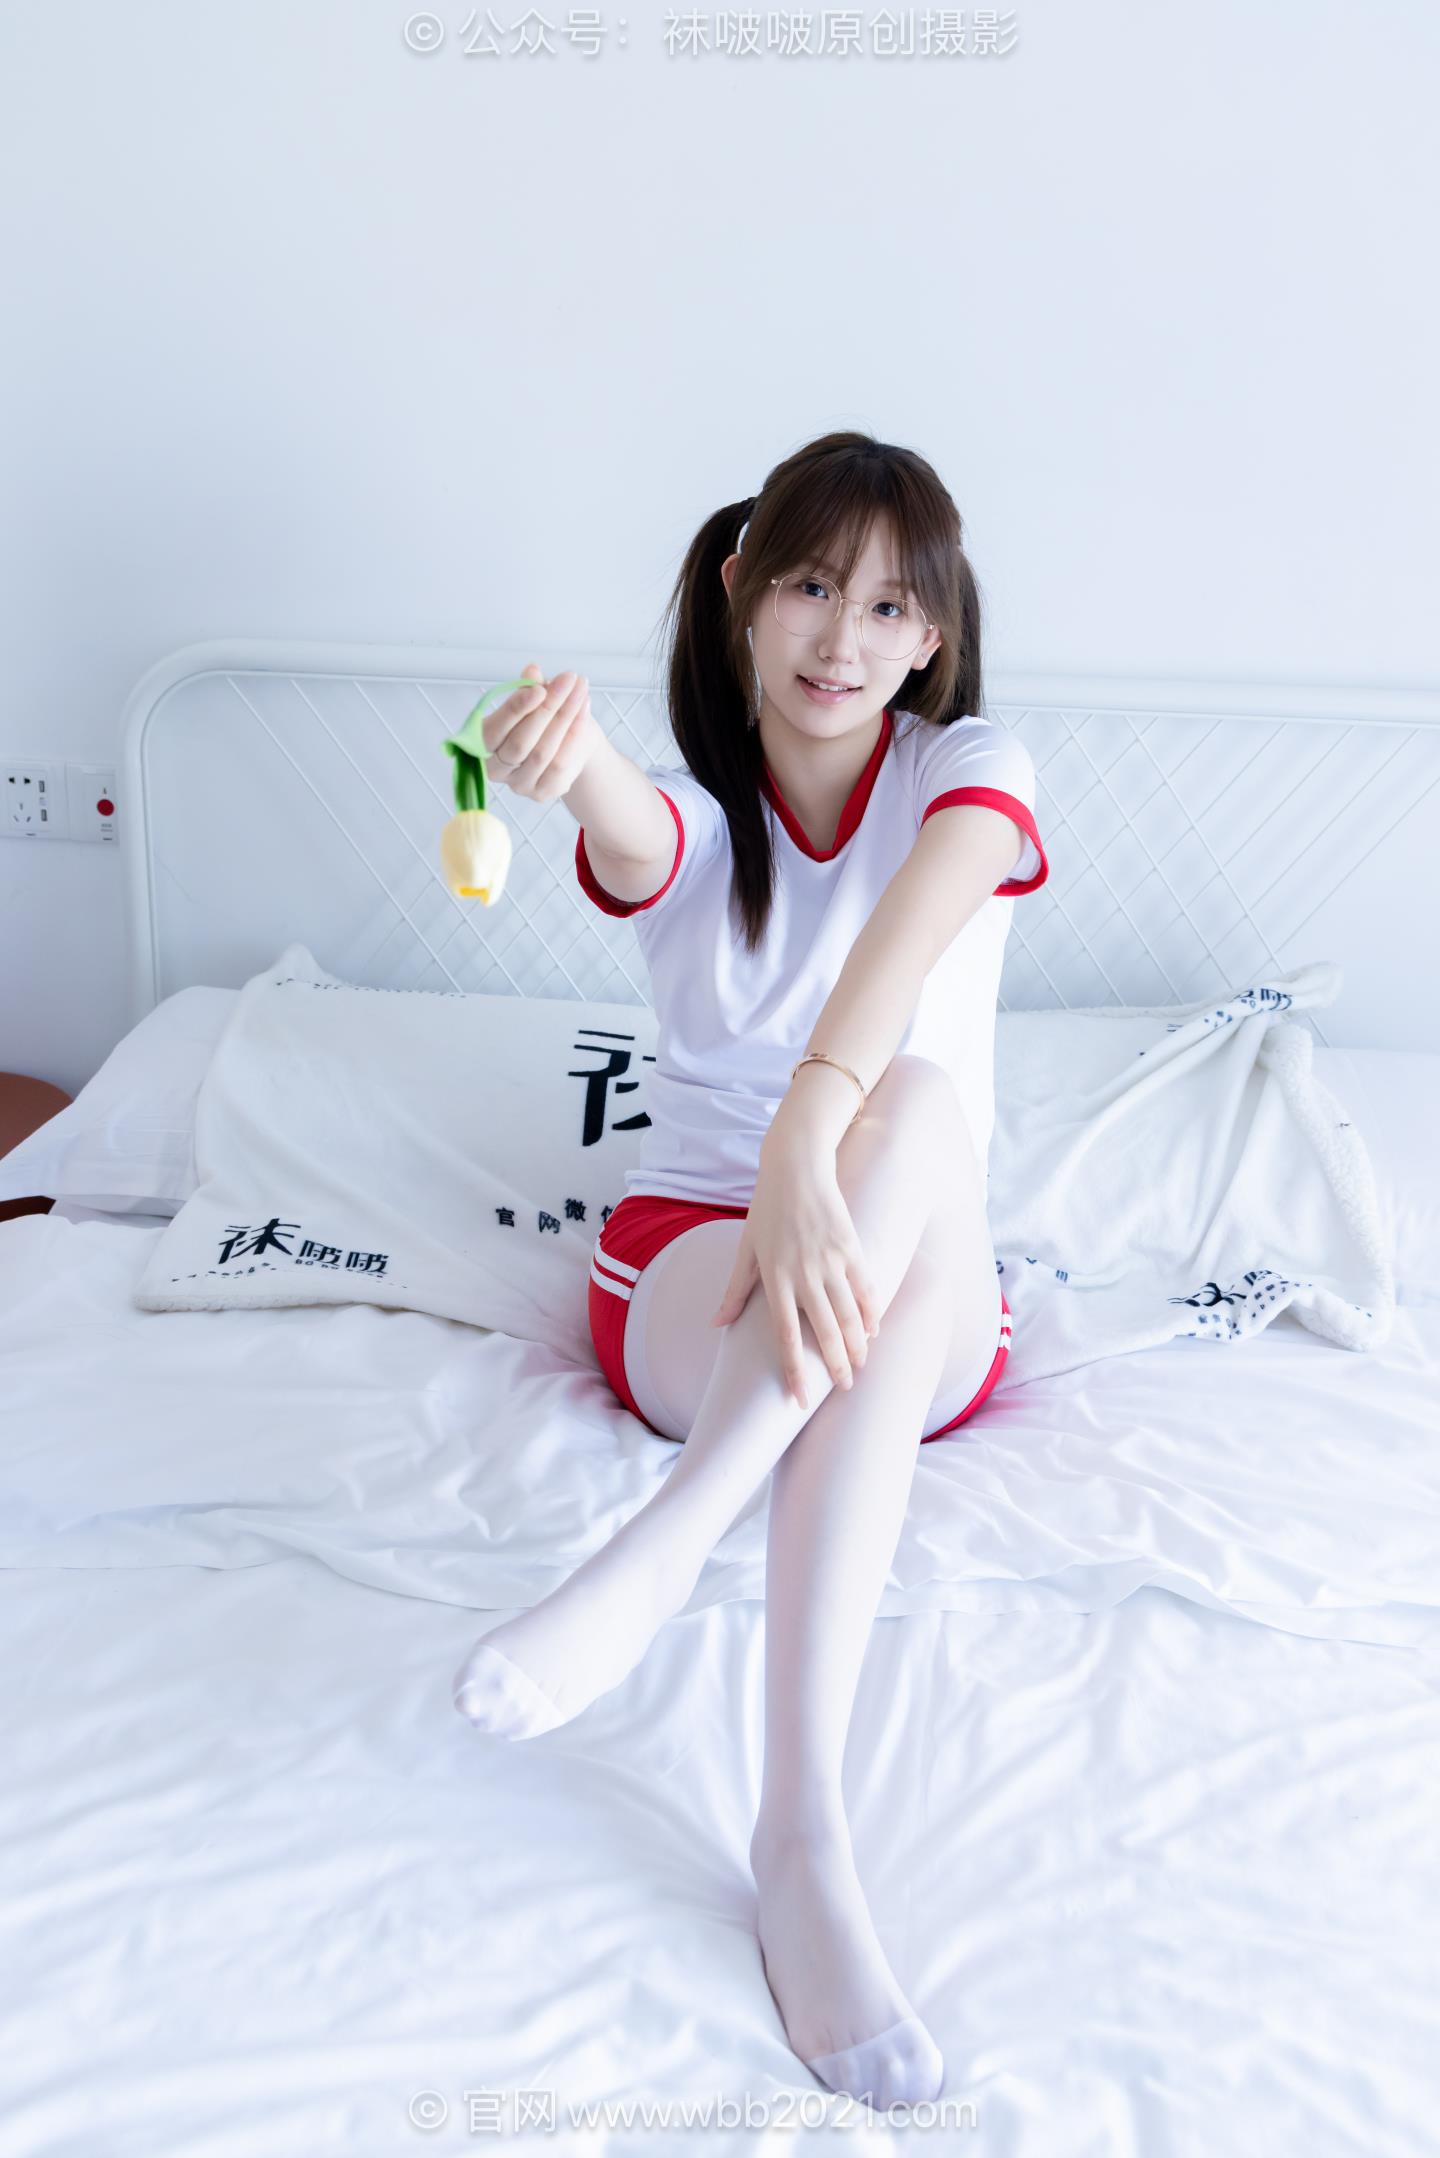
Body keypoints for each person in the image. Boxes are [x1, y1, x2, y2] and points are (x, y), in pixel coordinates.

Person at [451, 428, 1049, 2109]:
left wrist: (806, 1141)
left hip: (920, 1277)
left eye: (888, 606)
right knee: (885, 1186)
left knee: (916, 1107)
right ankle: (802, 1833)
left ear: (932, 638)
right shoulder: (702, 829)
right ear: (739, 590)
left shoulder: (973, 772)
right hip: (688, 1281)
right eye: (806, 585)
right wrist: (564, 757)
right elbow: (631, 824)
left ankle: (667, 1547)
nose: (841, 639)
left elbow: (912, 944)